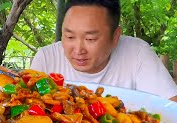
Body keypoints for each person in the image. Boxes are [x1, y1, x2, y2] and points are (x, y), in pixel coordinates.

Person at [30, 0, 177, 102]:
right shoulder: (46, 59)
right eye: (69, 36)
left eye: (90, 39)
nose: (78, 49)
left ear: (115, 37)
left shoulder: (137, 53)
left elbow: (171, 109)